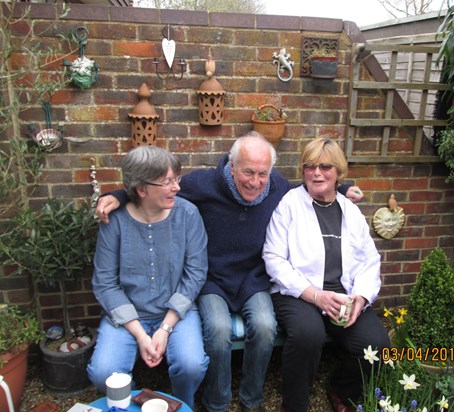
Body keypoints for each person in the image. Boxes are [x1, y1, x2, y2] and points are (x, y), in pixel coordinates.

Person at [96, 132, 363, 412]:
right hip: (213, 279)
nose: (255, 181)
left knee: (264, 326)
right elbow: (154, 190)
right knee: (218, 329)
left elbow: (306, 187)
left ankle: (252, 400)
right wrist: (117, 196)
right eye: (248, 172)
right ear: (232, 166)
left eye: (263, 173)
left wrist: (342, 191)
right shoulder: (203, 184)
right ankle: (217, 403)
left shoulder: (275, 186)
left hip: (253, 279)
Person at [262, 137, 390, 412]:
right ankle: (294, 404)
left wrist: (361, 297)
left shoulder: (351, 211)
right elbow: (273, 258)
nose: (316, 173)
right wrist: (314, 295)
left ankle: (342, 389)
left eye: (325, 167)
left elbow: (369, 260)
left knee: (377, 344)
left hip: (343, 295)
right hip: (298, 293)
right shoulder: (290, 204)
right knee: (309, 334)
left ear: (338, 173)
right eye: (309, 166)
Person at [87, 146, 209, 409]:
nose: (177, 187)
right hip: (128, 315)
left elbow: (195, 273)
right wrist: (141, 335)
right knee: (103, 372)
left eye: (177, 178)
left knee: (191, 365)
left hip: (177, 312)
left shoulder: (188, 214)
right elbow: (105, 282)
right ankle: (129, 405)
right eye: (167, 182)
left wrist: (165, 328)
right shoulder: (114, 221)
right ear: (142, 190)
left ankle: (182, 405)